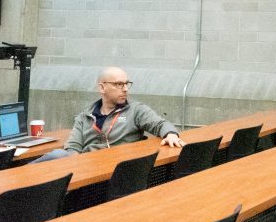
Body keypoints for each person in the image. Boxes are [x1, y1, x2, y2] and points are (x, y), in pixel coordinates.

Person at [35, 66, 182, 161]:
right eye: (119, 84)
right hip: (88, 168)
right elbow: (73, 147)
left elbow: (160, 124)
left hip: (118, 171)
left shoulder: (136, 110)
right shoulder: (84, 117)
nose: (125, 89)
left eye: (127, 84)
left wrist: (171, 134)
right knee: (58, 155)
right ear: (102, 88)